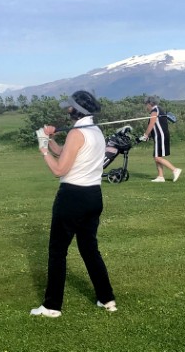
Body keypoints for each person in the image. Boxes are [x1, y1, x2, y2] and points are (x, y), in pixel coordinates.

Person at [30, 90, 117, 318]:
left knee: (57, 252)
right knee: (89, 249)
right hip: (93, 196)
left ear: (76, 109)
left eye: (69, 107)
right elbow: (63, 152)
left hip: (72, 197)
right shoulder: (95, 131)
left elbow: (59, 169)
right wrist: (50, 138)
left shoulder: (77, 133)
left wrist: (42, 148)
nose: (67, 110)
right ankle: (107, 299)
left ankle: (52, 306)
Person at [139, 96, 182, 183]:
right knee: (157, 156)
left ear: (150, 104)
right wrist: (149, 136)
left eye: (146, 104)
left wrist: (145, 135)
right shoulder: (158, 109)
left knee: (157, 157)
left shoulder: (155, 111)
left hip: (160, 136)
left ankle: (175, 170)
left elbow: (151, 124)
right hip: (158, 136)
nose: (146, 106)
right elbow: (155, 126)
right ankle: (160, 176)